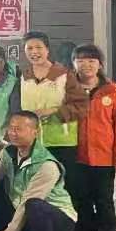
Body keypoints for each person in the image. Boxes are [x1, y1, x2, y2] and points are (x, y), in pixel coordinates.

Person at [0, 111, 79, 231]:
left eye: (19, 129)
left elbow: (28, 201)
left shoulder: (47, 165)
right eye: (11, 128)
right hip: (27, 212)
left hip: (60, 218)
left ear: (35, 132)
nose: (13, 133)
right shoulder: (7, 153)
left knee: (35, 206)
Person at [71, 44, 116, 231]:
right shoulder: (67, 90)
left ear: (100, 64)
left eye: (91, 60)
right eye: (80, 60)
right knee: (82, 203)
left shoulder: (114, 91)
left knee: (104, 203)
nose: (86, 65)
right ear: (74, 63)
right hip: (76, 158)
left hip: (104, 159)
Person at [20, 31, 88, 198]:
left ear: (47, 49)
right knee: (37, 190)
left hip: (61, 143)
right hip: (33, 143)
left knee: (65, 190)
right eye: (29, 48)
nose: (34, 52)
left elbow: (82, 106)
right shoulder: (24, 76)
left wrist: (54, 111)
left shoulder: (64, 75)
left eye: (38, 47)